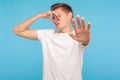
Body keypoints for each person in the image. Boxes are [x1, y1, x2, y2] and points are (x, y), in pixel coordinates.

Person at [13, 2, 91, 80]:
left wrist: (86, 39)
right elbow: (17, 30)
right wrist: (39, 15)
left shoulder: (78, 36)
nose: (55, 20)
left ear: (69, 15)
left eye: (58, 15)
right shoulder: (47, 35)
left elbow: (85, 41)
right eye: (53, 17)